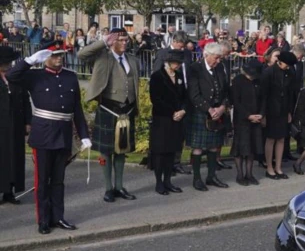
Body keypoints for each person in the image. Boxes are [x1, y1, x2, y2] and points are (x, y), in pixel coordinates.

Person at [7, 41, 90, 234]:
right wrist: (28, 61)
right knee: (42, 181)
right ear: (45, 57)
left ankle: (58, 217)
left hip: (64, 133)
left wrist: (84, 135)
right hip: (43, 133)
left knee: (59, 181)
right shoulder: (34, 76)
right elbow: (11, 75)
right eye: (54, 55)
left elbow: (76, 108)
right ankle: (43, 220)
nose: (59, 58)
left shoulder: (70, 77)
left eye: (61, 55)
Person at [78, 28, 139, 203]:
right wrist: (103, 41)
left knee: (122, 150)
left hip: (126, 110)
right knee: (106, 151)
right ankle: (108, 188)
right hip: (108, 108)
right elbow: (82, 55)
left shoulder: (132, 60)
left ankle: (119, 186)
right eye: (120, 40)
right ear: (112, 40)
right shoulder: (102, 57)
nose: (124, 43)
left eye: (126, 40)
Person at [186, 43, 231, 191]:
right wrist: (210, 109)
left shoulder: (220, 67)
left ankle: (211, 177)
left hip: (217, 112)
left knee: (213, 146)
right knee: (198, 147)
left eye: (220, 58)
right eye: (216, 58)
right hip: (201, 112)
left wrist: (223, 107)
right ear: (207, 55)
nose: (218, 61)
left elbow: (226, 90)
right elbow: (194, 94)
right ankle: (197, 179)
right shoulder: (195, 68)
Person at [148, 49, 187, 196]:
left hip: (177, 119)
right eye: (176, 63)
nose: (178, 66)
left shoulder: (178, 76)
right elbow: (156, 99)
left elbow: (184, 96)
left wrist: (183, 110)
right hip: (162, 119)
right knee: (160, 152)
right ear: (169, 62)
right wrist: (172, 112)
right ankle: (159, 182)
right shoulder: (157, 77)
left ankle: (168, 180)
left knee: (172, 151)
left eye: (179, 63)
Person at [0, 46, 30, 205]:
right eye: (6, 62)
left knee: (14, 157)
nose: (9, 65)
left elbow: (25, 99)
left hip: (16, 123)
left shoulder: (16, 78)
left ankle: (9, 191)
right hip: (1, 124)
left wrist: (27, 121)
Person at [260, 51, 297, 180]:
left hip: (283, 110)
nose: (288, 67)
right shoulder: (268, 73)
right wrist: (262, 114)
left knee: (281, 138)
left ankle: (278, 167)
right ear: (280, 62)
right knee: (270, 139)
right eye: (287, 65)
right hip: (271, 110)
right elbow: (263, 95)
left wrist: (289, 112)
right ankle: (269, 167)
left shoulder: (289, 73)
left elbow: (290, 94)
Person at [231, 60, 263, 186]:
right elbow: (236, 101)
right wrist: (248, 115)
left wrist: (261, 114)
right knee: (240, 148)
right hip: (242, 119)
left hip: (256, 118)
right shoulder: (238, 81)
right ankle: (240, 175)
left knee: (252, 147)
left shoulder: (258, 81)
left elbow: (263, 99)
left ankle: (249, 174)